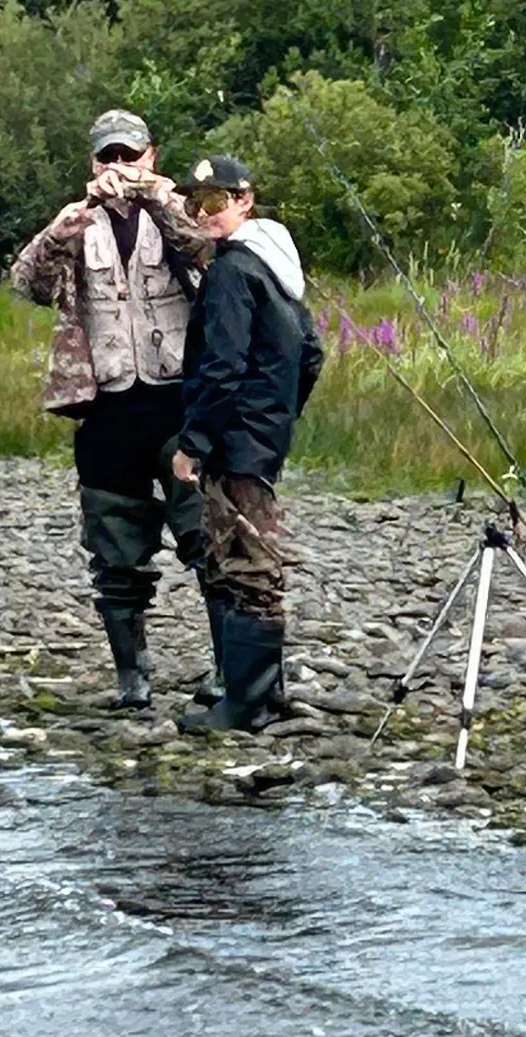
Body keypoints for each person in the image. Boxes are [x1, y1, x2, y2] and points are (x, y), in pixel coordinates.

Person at [11, 109, 218, 710]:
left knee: (205, 538)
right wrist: (67, 223)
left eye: (130, 156)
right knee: (114, 551)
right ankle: (132, 675)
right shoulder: (76, 224)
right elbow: (27, 281)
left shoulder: (176, 210)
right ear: (93, 164)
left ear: (151, 156)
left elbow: (205, 250)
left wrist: (158, 198)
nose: (119, 168)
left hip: (179, 403)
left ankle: (228, 665)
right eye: (109, 158)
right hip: (104, 408)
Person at [172, 155, 323, 733]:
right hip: (261, 436)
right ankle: (264, 691)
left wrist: (194, 441)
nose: (204, 213)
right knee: (249, 554)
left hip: (236, 442)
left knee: (245, 563)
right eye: (195, 203)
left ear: (244, 201)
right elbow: (310, 354)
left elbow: (222, 367)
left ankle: (250, 702)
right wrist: (279, 415)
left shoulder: (233, 272)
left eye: (215, 201)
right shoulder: (277, 264)